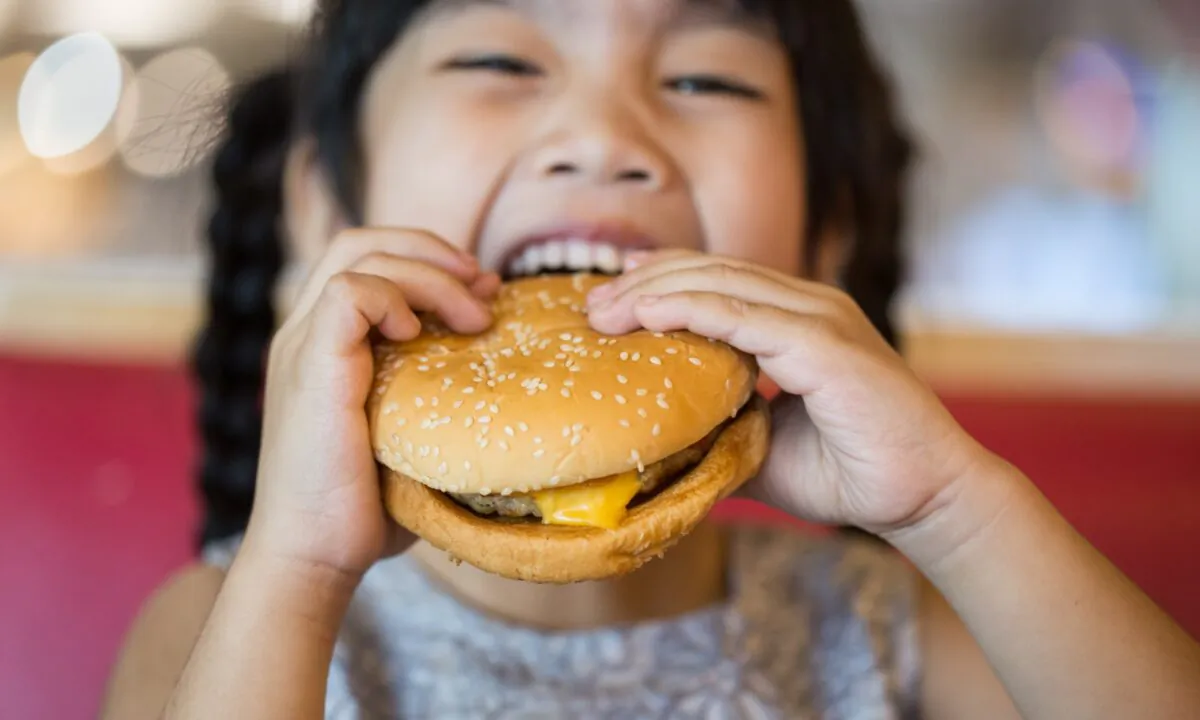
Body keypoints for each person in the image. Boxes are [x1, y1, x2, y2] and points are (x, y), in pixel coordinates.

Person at [102, 1, 1200, 718]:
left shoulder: (886, 627)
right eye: (497, 57)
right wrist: (296, 570)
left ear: (826, 242)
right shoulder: (235, 621)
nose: (605, 137)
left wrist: (956, 511)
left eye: (706, 80)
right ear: (322, 205)